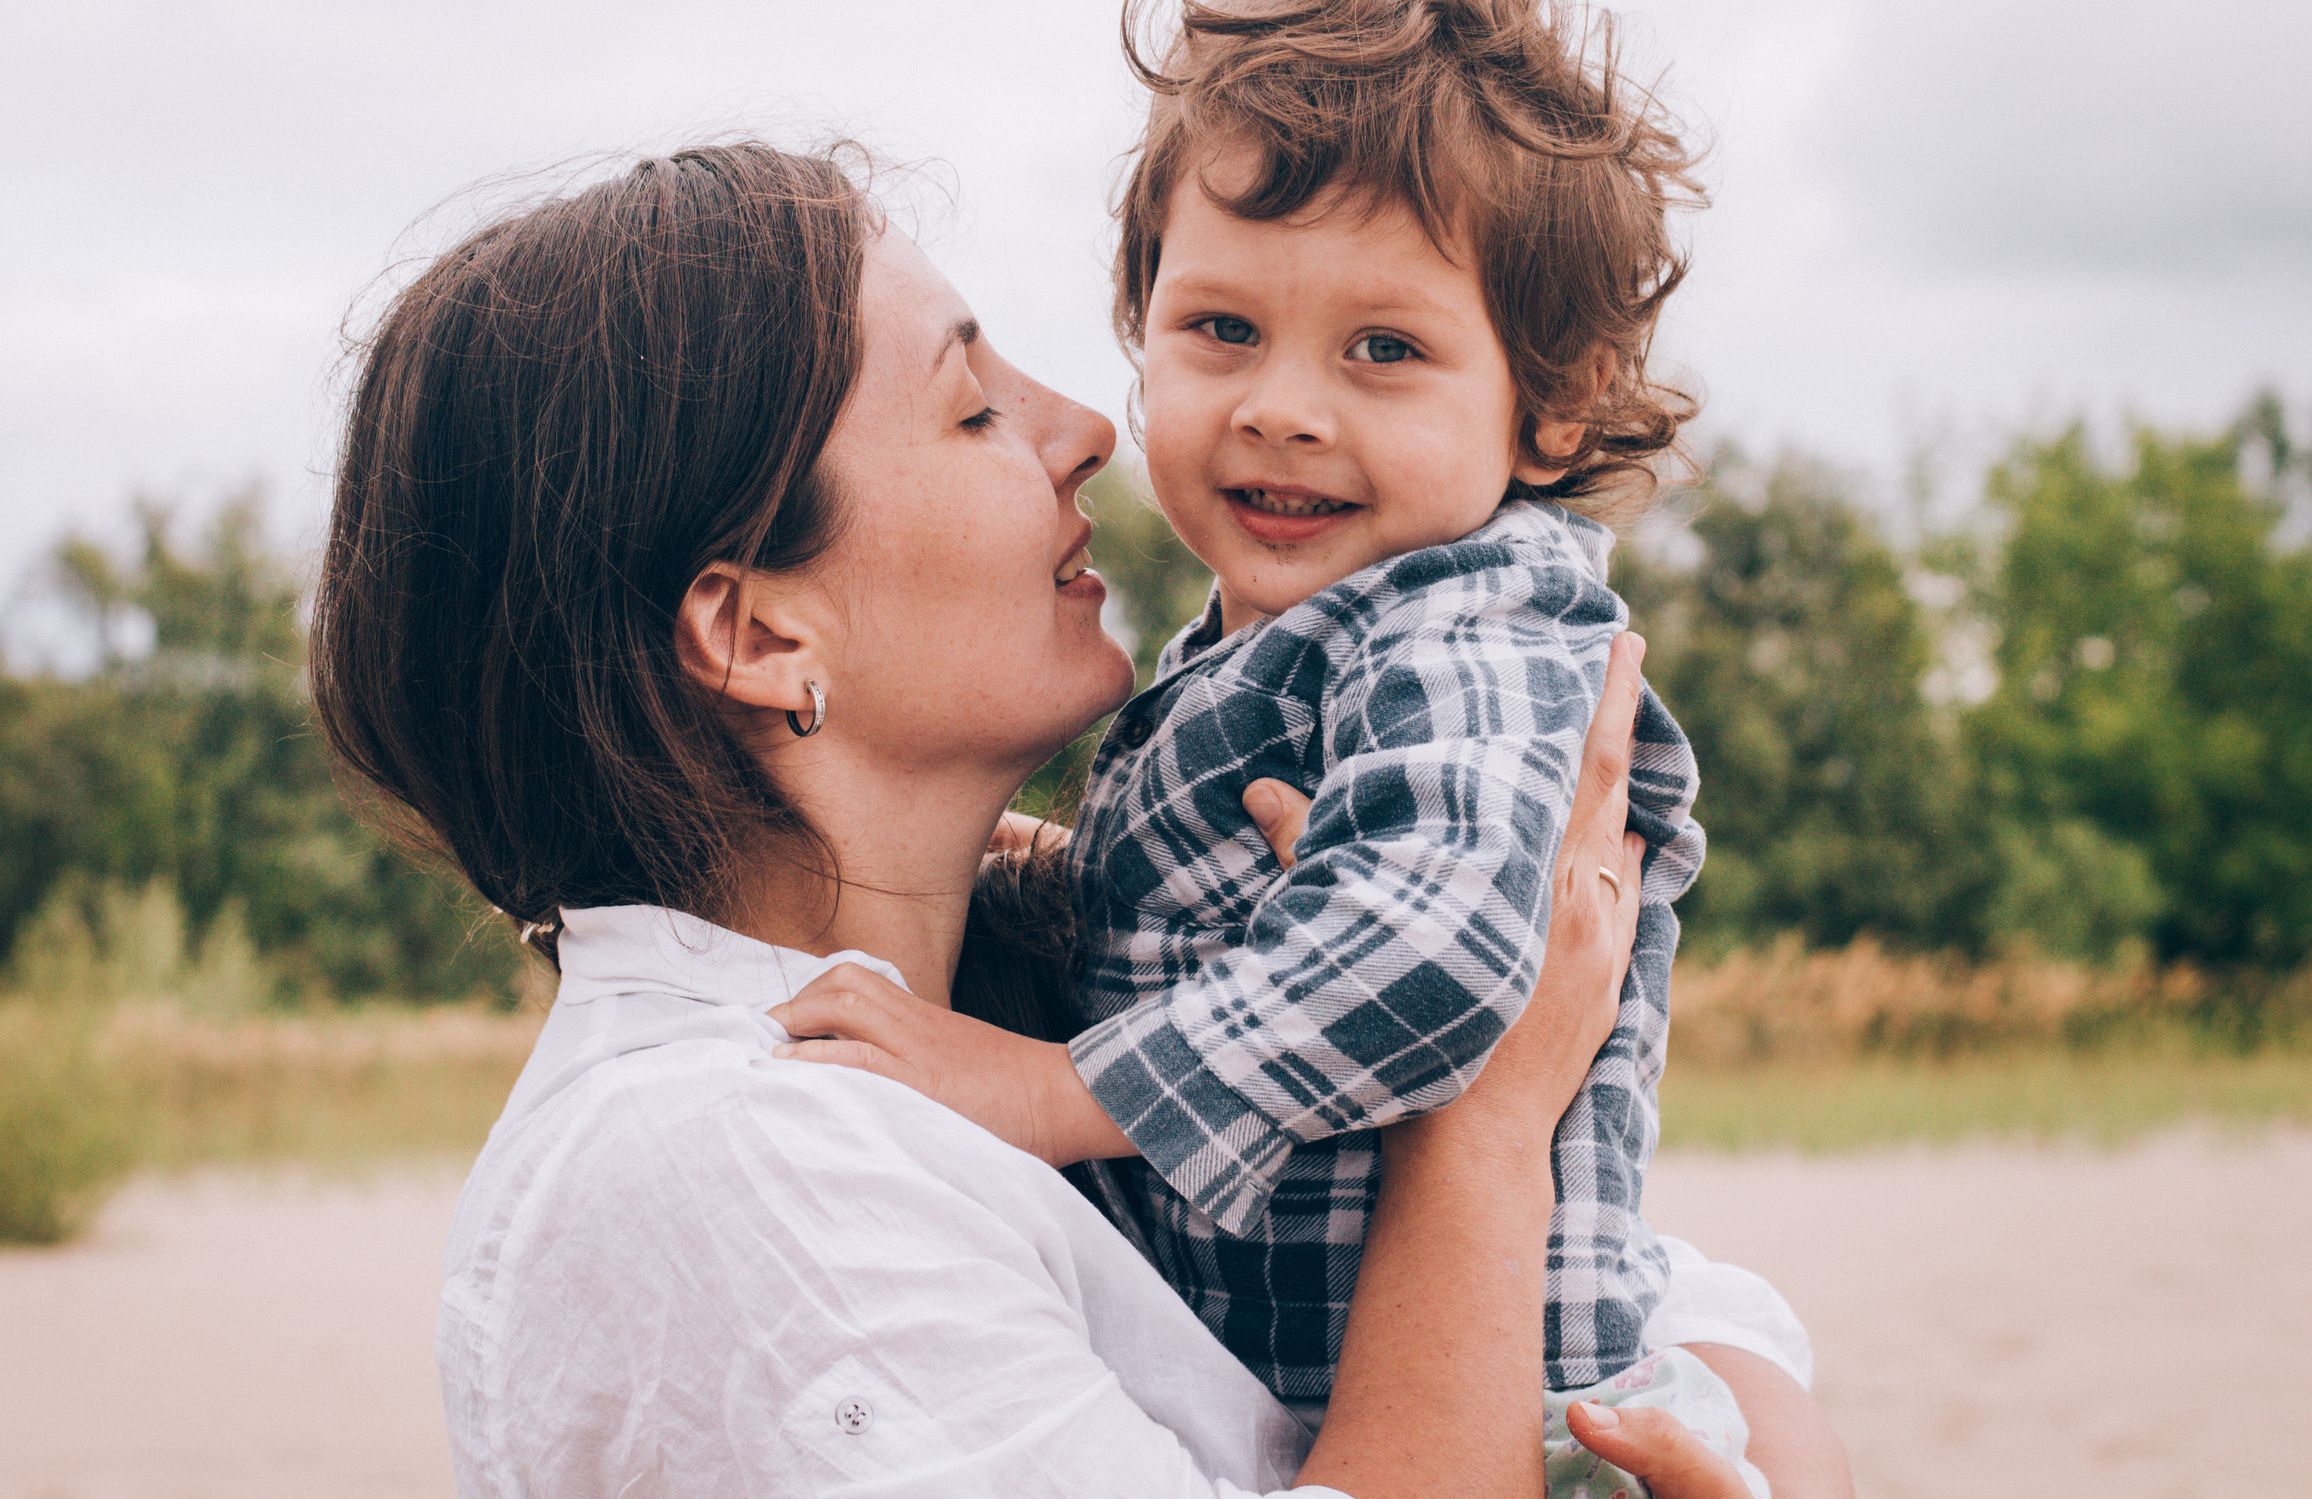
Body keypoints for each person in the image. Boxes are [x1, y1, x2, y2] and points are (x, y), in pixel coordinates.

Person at [311, 142, 1841, 1497]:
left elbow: (1666, 1301)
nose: (1087, 429)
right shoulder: (733, 1167)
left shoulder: (1012, 1021)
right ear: (765, 635)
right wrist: (1483, 1125)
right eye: (975, 410)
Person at [768, 0, 1765, 1498]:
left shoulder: (1472, 632)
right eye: (1222, 327)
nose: (1283, 409)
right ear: (1141, 332)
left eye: (1385, 350)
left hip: (1528, 1417)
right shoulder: (1274, 639)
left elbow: (1441, 948)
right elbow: (1217, 902)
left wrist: (1045, 1088)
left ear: (1556, 412)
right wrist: (1028, 865)